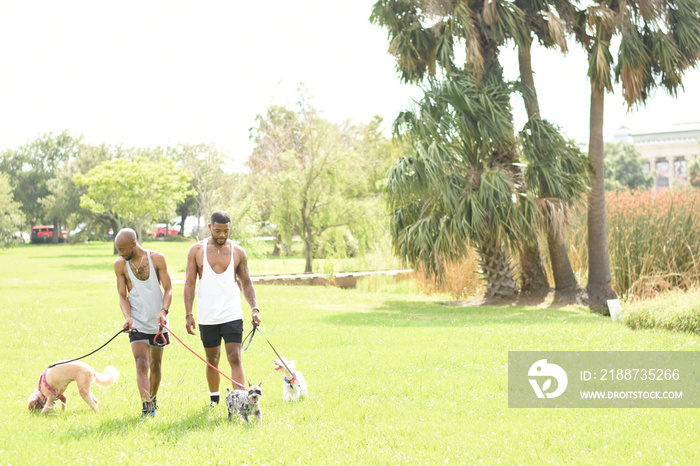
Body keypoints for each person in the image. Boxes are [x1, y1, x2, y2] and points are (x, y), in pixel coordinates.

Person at [184, 211, 262, 408]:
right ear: (210, 227)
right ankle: (214, 399)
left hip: (231, 314)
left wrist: (254, 308)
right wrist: (188, 314)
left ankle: (242, 402)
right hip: (207, 316)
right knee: (212, 359)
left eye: (226, 231)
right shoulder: (196, 250)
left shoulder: (237, 251)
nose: (222, 235)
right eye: (217, 231)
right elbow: (189, 284)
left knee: (235, 357)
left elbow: (246, 282)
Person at [114, 228, 173, 416]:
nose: (120, 254)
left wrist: (164, 311)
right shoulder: (120, 265)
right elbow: (122, 296)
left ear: (133, 244)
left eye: (122, 249)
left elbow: (169, 288)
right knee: (141, 363)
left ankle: (153, 400)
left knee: (156, 364)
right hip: (137, 322)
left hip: (158, 322)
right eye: (117, 250)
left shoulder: (157, 258)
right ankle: (146, 407)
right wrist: (128, 317)